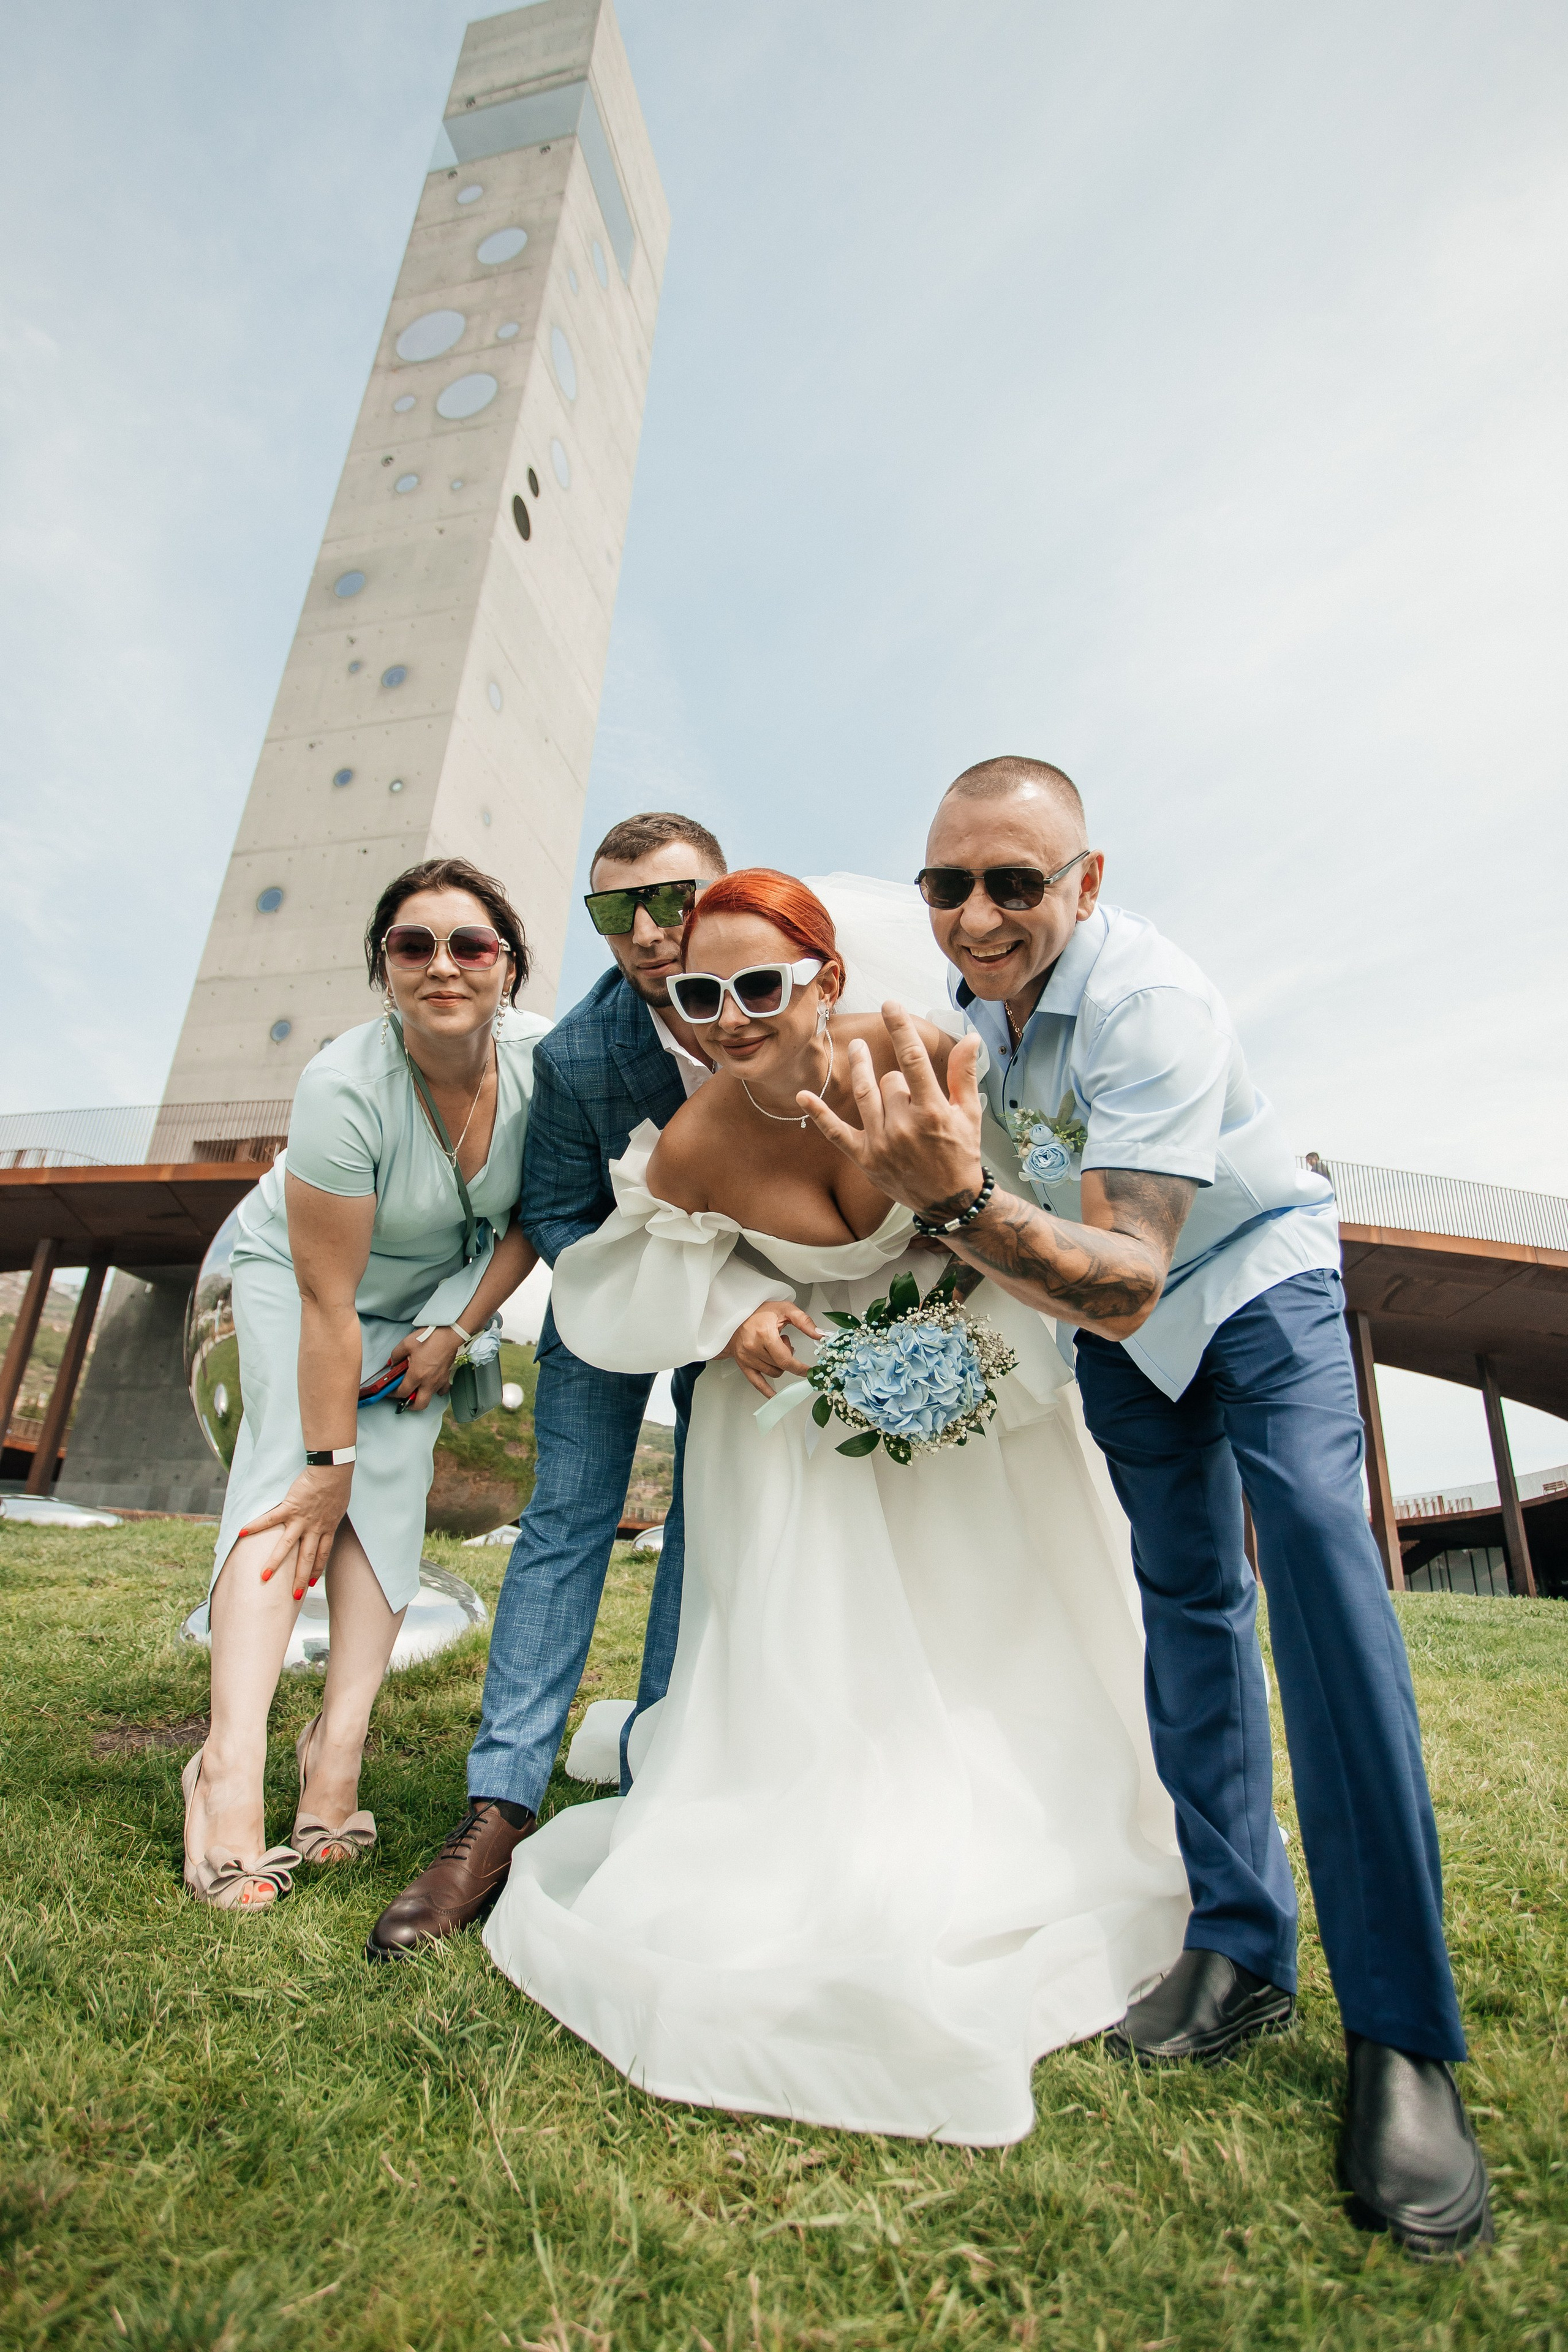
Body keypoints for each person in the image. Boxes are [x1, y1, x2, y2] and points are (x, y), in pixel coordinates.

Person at [798, 756, 1490, 2256]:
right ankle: (1237, 1948)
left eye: (1013, 884)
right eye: (946, 886)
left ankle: (1402, 2039)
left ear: (1084, 882)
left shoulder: (1150, 1005)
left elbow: (1123, 1271)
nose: (975, 916)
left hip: (1242, 1283)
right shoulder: (970, 1011)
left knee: (1316, 1571)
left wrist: (955, 1197)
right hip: (1113, 1324)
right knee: (1177, 1603)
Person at [482, 869, 1189, 2146]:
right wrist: (733, 1310)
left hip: (959, 1369)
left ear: (826, 976)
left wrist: (949, 1342)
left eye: (761, 983)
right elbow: (630, 1282)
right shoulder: (693, 1140)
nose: (731, 1013)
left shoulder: (914, 1052)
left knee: (995, 1624)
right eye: (703, 993)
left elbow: (991, 1210)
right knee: (821, 1672)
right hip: (803, 1419)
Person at [368, 812, 729, 1958]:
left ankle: (663, 1778)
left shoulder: (787, 997)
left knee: (709, 1526)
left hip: (756, 1303)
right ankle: (497, 1809)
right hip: (612, 1293)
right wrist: (657, 1283)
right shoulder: (575, 1055)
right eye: (615, 911)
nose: (649, 933)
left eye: (672, 901)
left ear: (724, 896)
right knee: (565, 1523)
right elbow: (561, 1213)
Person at [183, 858, 547, 1911]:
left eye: (469, 945)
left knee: (388, 1493)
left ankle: (333, 1755)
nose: (443, 965)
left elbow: (533, 1217)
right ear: (383, 969)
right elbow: (328, 1302)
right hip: (300, 1282)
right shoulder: (344, 1086)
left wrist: (456, 1330)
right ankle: (228, 1775)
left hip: (430, 1294)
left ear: (507, 965)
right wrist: (324, 1463)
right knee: (288, 1487)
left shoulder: (540, 1066)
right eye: (412, 945)